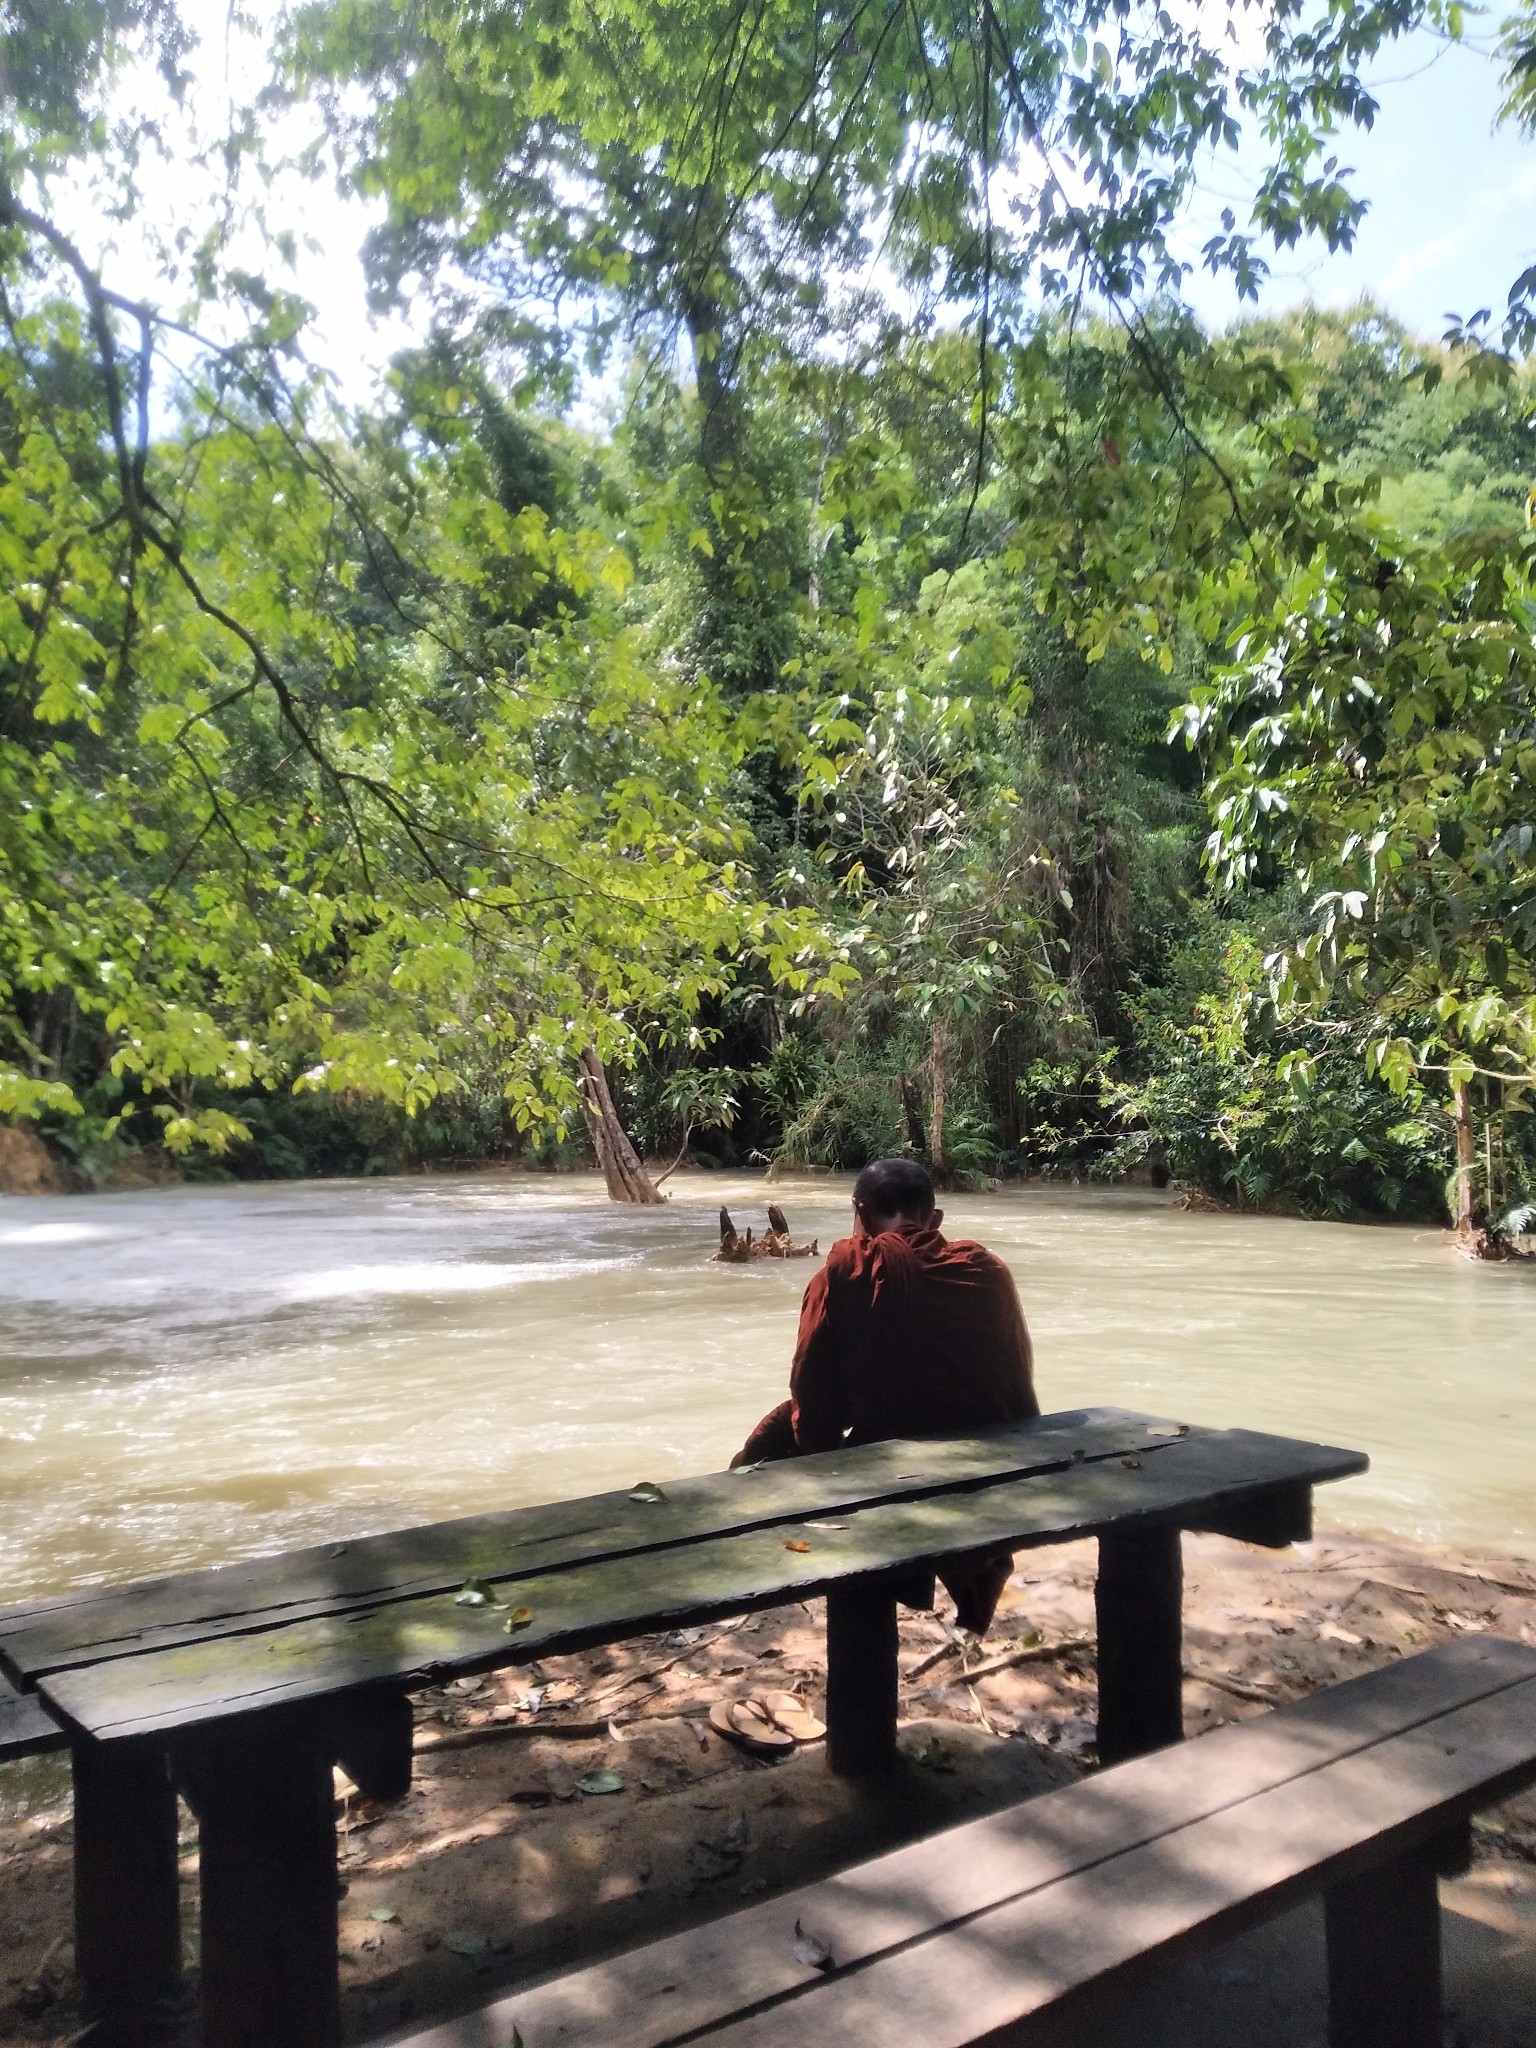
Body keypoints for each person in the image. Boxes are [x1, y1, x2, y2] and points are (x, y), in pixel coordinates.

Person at [731, 1156, 1039, 1632]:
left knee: (778, 1427)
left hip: (889, 1477)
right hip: (990, 1470)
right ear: (935, 1220)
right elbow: (1019, 1388)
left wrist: (823, 1471)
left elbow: (814, 1395)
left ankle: (745, 1549)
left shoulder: (844, 1271)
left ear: (859, 1213)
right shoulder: (987, 1269)